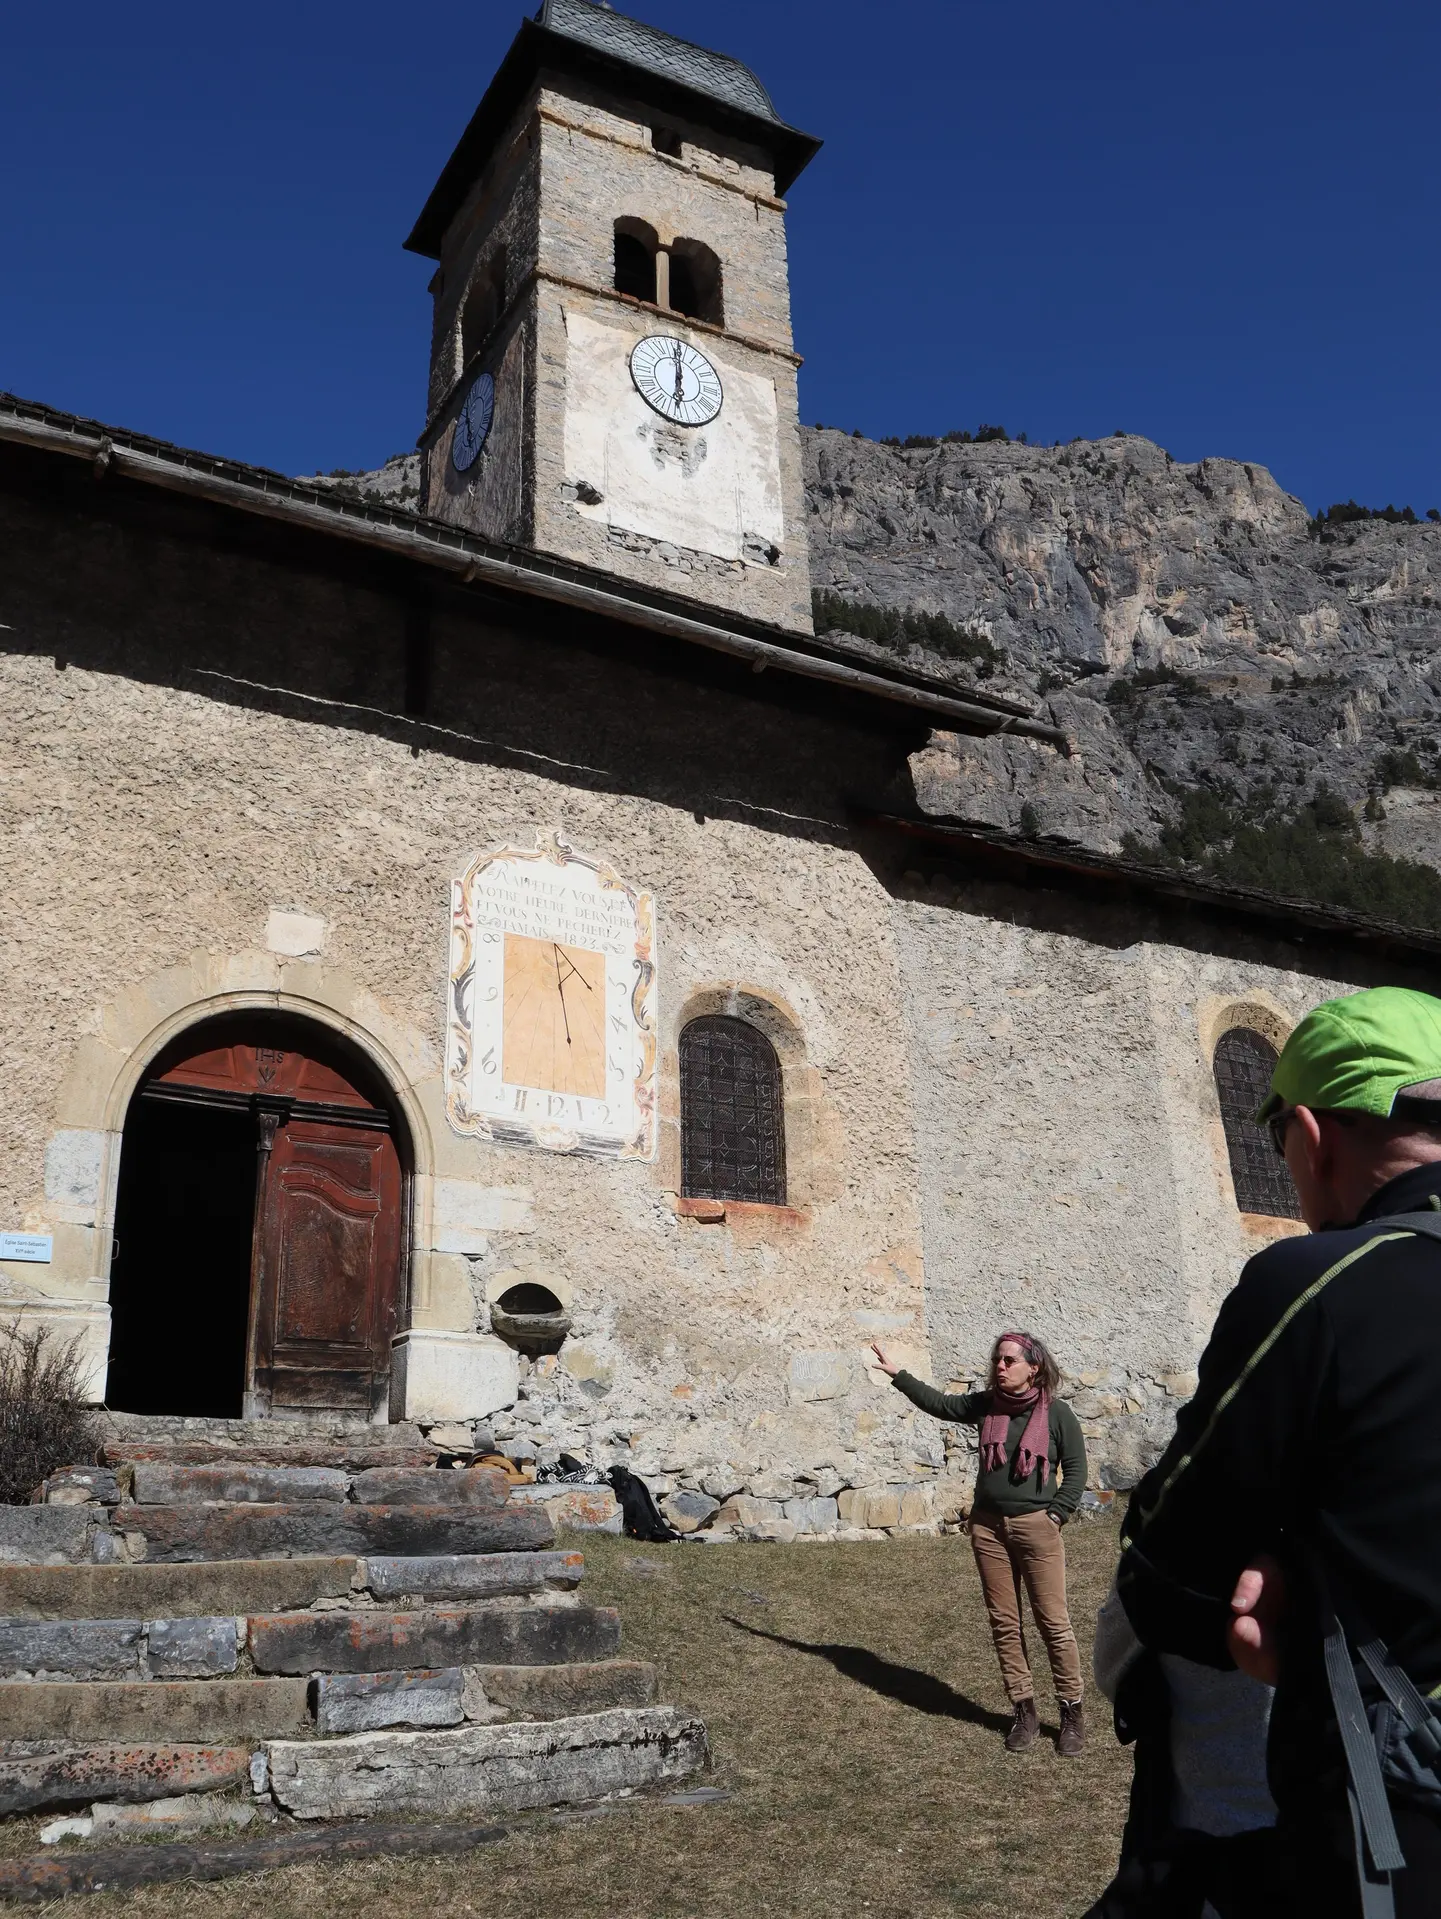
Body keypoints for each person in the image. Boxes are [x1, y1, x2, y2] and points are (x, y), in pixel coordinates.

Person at [1097, 985, 1441, 1918]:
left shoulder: (1314, 1283)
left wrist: (1283, 1569)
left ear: (1309, 1134)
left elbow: (1167, 1568)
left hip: (1391, 1812)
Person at [871, 1329, 1089, 1755]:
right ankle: (1023, 1712)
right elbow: (941, 1404)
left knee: (1054, 1625)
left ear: (1034, 1367)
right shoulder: (986, 1406)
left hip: (1036, 1528)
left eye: (1010, 1361)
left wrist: (1056, 1514)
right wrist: (899, 1375)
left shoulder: (1057, 1415)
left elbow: (1077, 1472)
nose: (1000, 1367)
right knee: (1005, 1624)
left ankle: (1071, 1715)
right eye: (998, 1360)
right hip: (988, 1528)